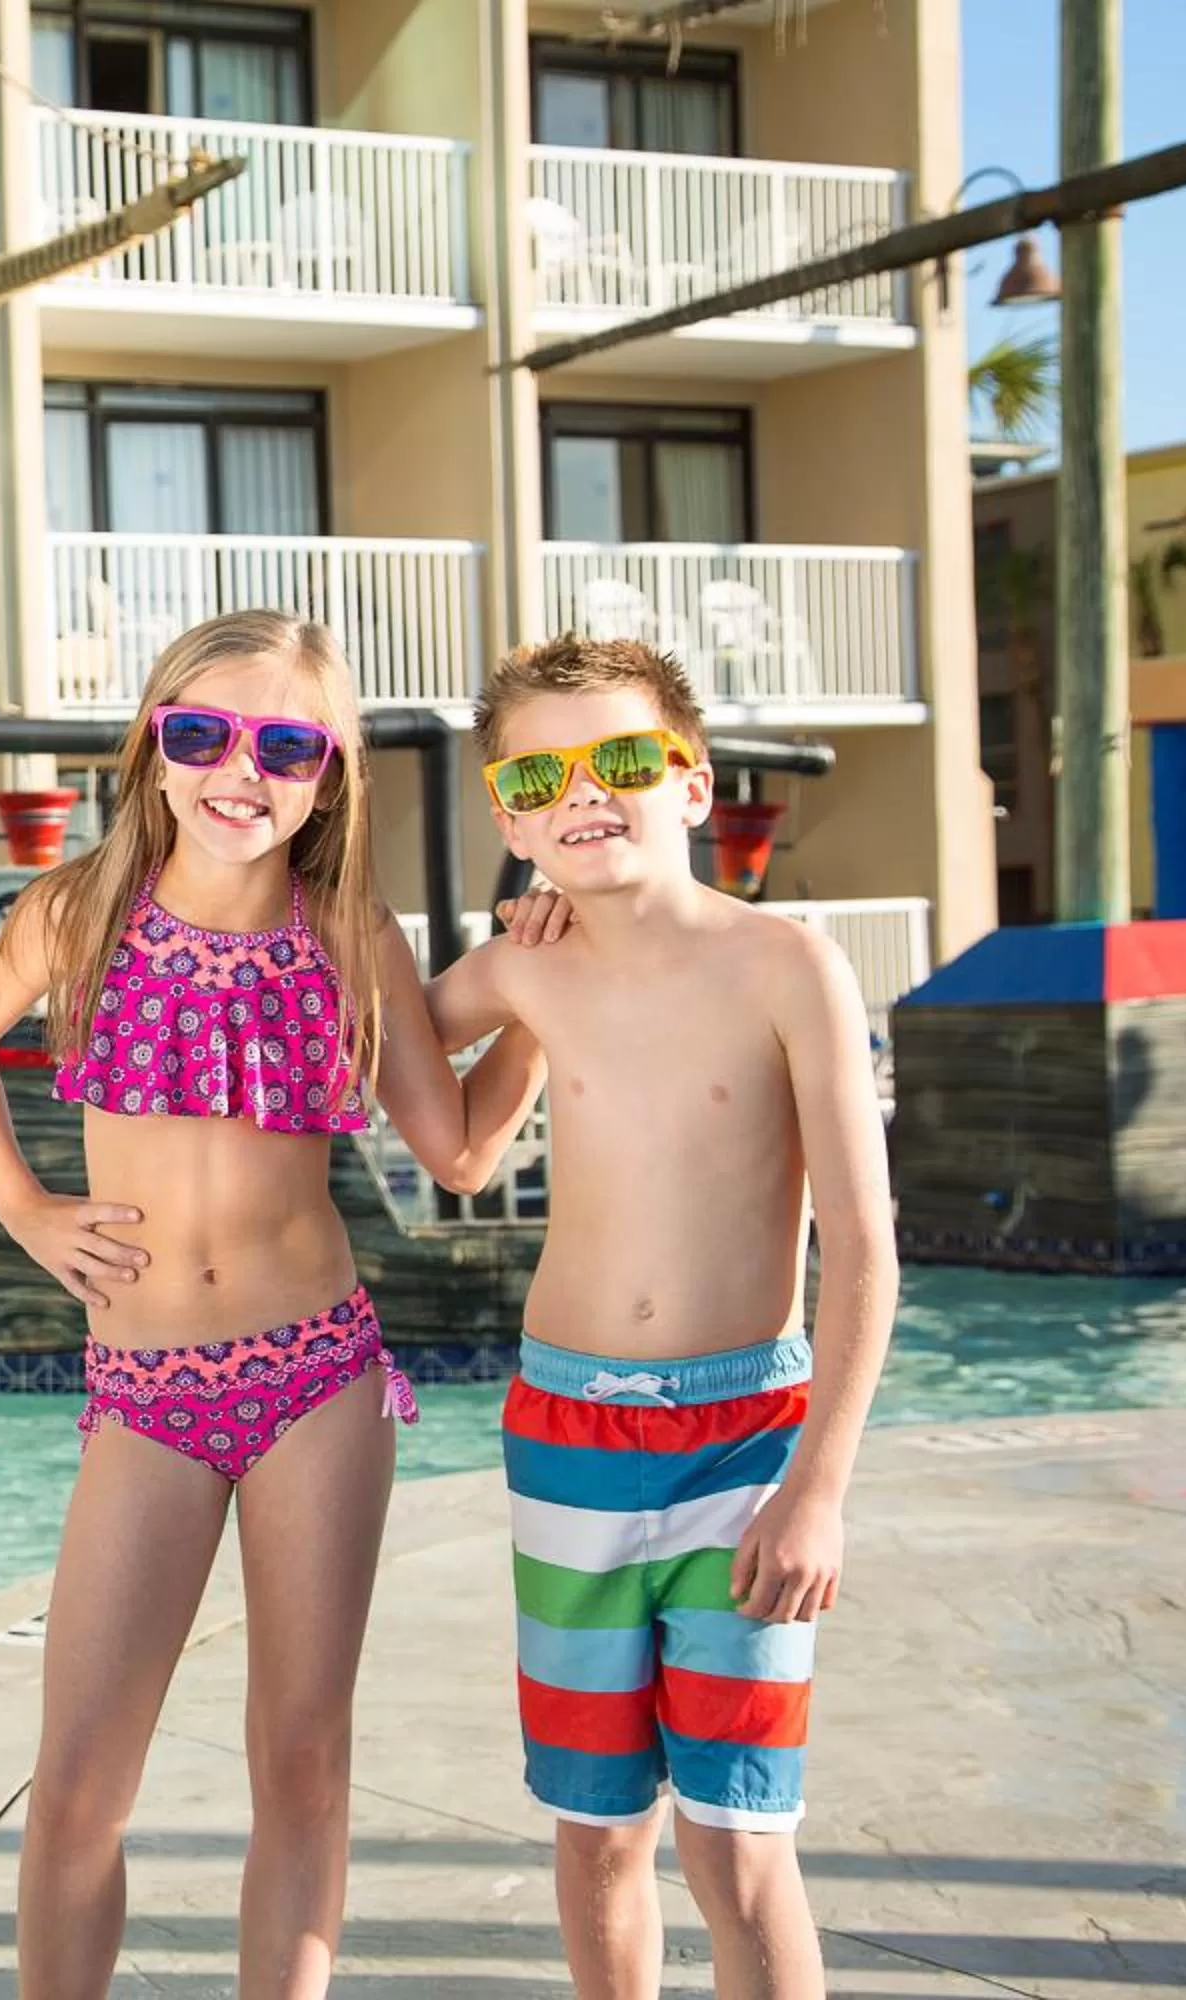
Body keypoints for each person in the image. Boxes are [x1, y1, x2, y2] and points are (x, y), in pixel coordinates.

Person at [0, 610, 547, 2000]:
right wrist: (24, 1206)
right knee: (80, 1782)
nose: (239, 770)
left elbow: (456, 1153)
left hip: (317, 1383)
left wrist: (546, 1007)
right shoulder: (78, 911)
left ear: (331, 779)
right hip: (143, 1395)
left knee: (304, 1759)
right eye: (201, 732)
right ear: (152, 746)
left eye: (286, 745)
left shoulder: (345, 933)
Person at [425, 635, 897, 2000]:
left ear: (690, 781)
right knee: (596, 1836)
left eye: (625, 758)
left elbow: (864, 1249)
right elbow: (442, 1135)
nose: (588, 791)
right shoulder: (527, 968)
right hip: (564, 1435)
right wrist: (512, 985)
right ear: (511, 817)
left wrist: (817, 1489)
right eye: (542, 774)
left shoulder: (787, 967)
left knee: (739, 1845)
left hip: (745, 1444)